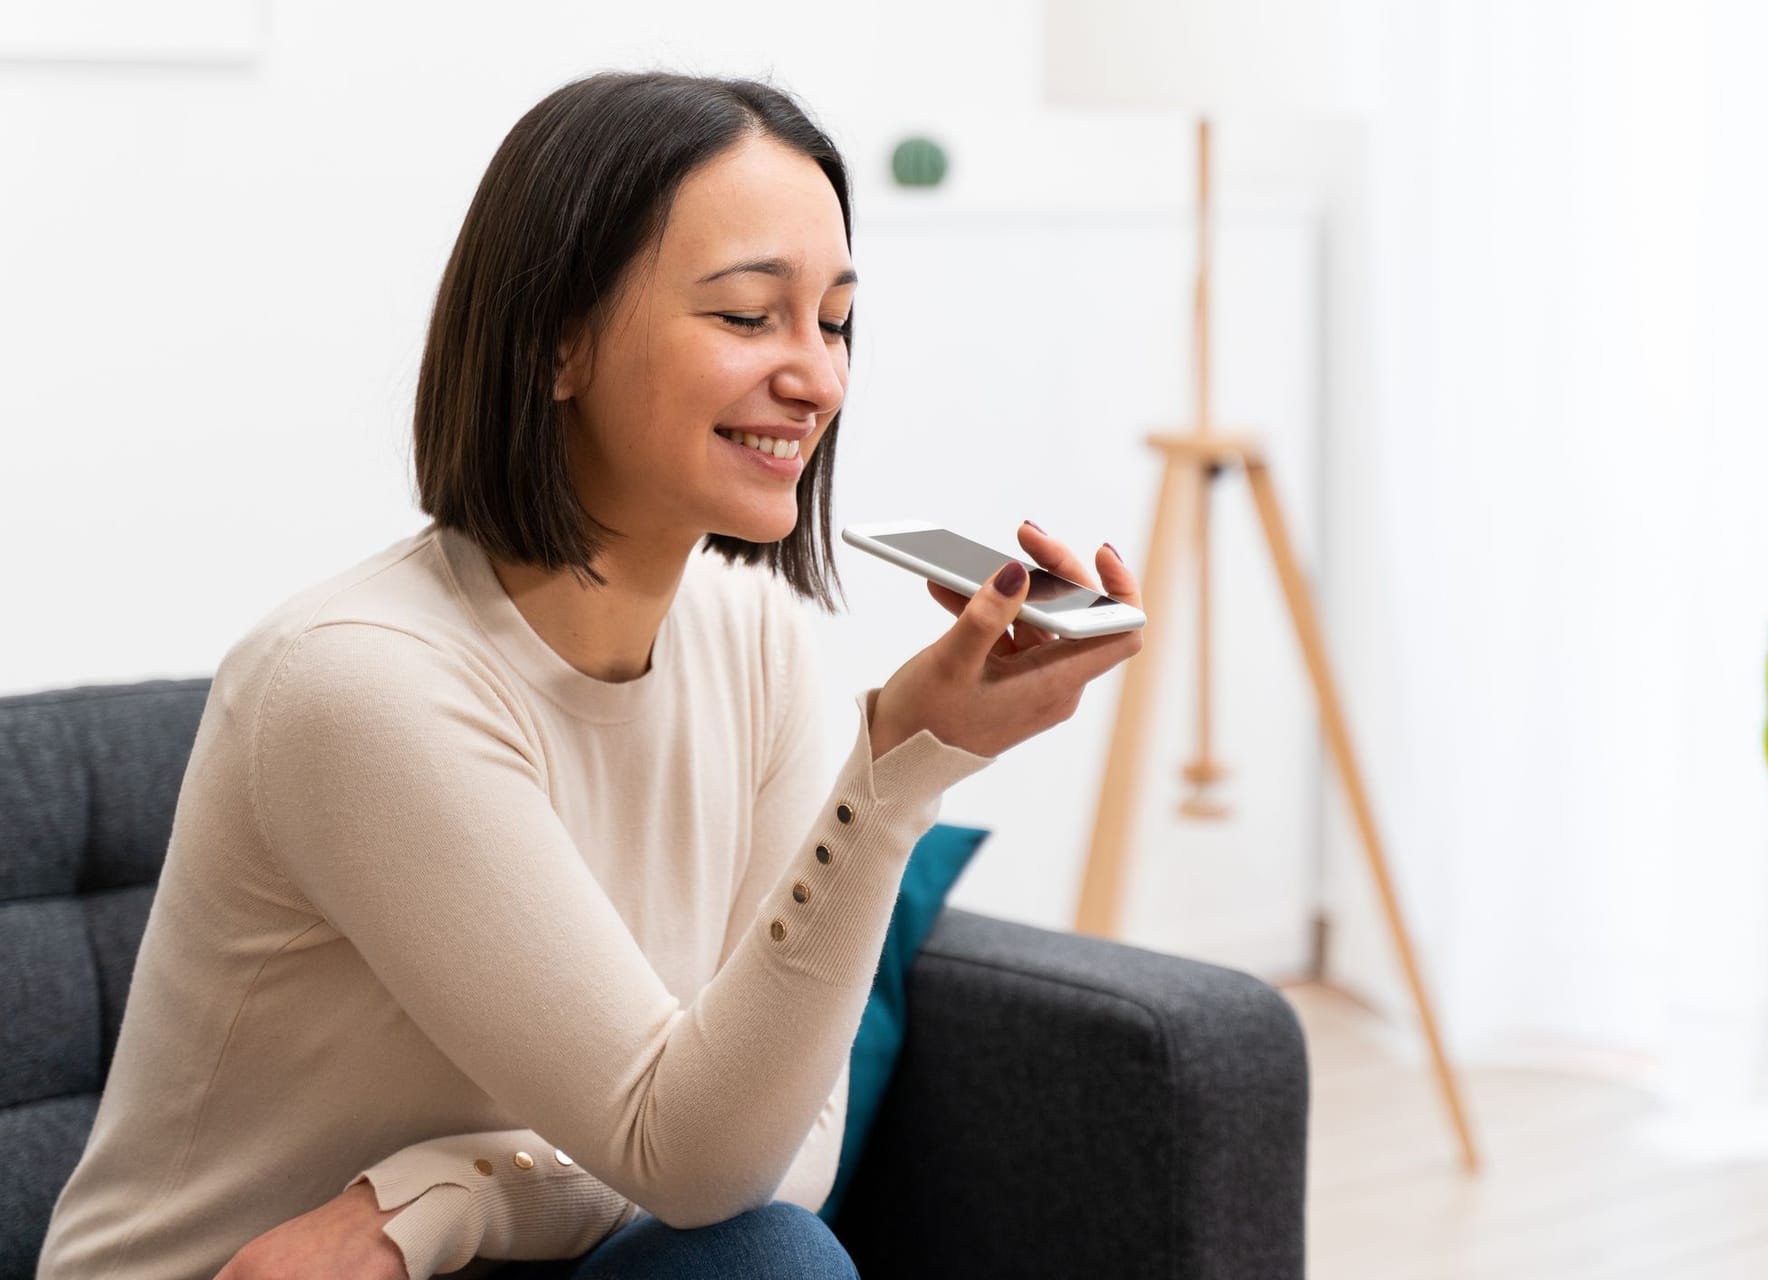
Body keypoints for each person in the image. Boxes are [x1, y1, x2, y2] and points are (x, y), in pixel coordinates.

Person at [35, 70, 1142, 1280]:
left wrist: (440, 1197)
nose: (817, 377)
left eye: (832, 320)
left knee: (769, 1255)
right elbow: (691, 1158)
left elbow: (778, 1155)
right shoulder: (362, 685)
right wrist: (888, 779)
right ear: (556, 339)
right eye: (744, 316)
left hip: (503, 1255)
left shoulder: (757, 643)